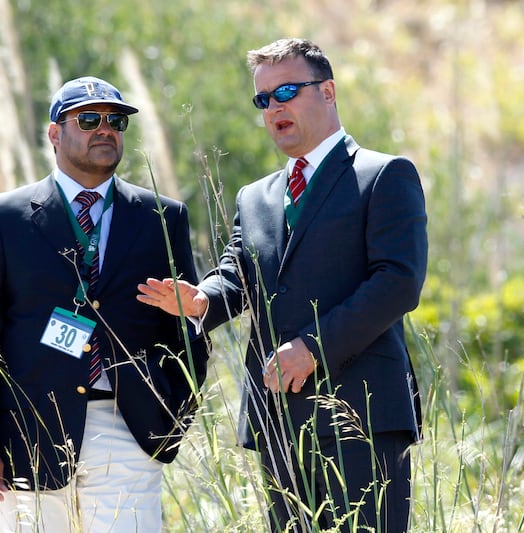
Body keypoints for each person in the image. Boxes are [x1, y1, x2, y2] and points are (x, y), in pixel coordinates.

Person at [137, 38, 427, 532]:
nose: (274, 107)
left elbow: (398, 282)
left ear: (329, 91)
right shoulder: (255, 197)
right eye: (263, 99)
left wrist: (312, 348)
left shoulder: (383, 175)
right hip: (278, 418)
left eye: (287, 91)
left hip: (364, 414)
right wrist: (203, 298)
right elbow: (238, 273)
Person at [0, 75, 208, 532]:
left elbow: (187, 326)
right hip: (28, 435)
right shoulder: (4, 217)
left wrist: (171, 412)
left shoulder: (162, 217)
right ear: (54, 133)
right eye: (88, 119)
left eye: (115, 121)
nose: (104, 129)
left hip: (127, 428)